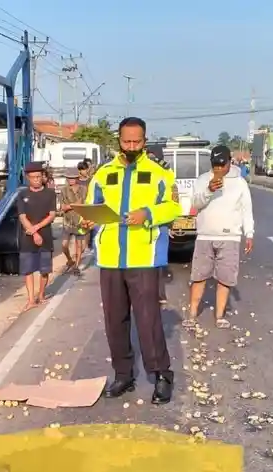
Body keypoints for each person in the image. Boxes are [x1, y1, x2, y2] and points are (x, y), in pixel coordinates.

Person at [85, 117, 181, 404]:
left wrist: (148, 214)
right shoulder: (103, 174)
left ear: (145, 140)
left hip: (144, 257)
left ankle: (162, 375)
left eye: (136, 141)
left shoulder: (159, 173)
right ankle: (123, 374)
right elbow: (93, 205)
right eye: (126, 141)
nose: (130, 146)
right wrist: (86, 219)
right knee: (115, 320)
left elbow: (174, 207)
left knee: (148, 320)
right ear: (118, 140)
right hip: (111, 258)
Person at [185, 145, 254, 330]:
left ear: (229, 163)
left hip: (230, 237)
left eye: (222, 165)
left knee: (225, 278)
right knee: (199, 276)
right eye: (215, 165)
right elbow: (196, 204)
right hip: (204, 236)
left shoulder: (240, 183)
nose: (218, 169)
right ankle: (192, 315)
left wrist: (249, 233)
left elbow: (246, 210)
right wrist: (209, 189)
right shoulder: (202, 180)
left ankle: (220, 316)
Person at [16, 161, 56, 310]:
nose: (36, 180)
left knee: (44, 269)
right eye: (33, 177)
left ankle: (41, 295)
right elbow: (22, 216)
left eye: (39, 177)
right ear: (28, 178)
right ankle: (31, 299)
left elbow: (52, 215)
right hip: (27, 238)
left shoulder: (50, 193)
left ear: (42, 176)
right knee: (28, 269)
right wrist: (33, 233)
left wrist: (36, 229)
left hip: (45, 235)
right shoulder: (22, 194)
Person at [58, 167, 87, 274]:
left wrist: (69, 206)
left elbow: (84, 204)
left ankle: (77, 265)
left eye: (73, 178)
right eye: (69, 178)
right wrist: (74, 205)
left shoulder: (83, 189)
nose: (71, 180)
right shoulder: (64, 190)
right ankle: (70, 260)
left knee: (79, 245)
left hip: (80, 221)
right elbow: (63, 207)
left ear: (77, 178)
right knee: (64, 245)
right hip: (67, 221)